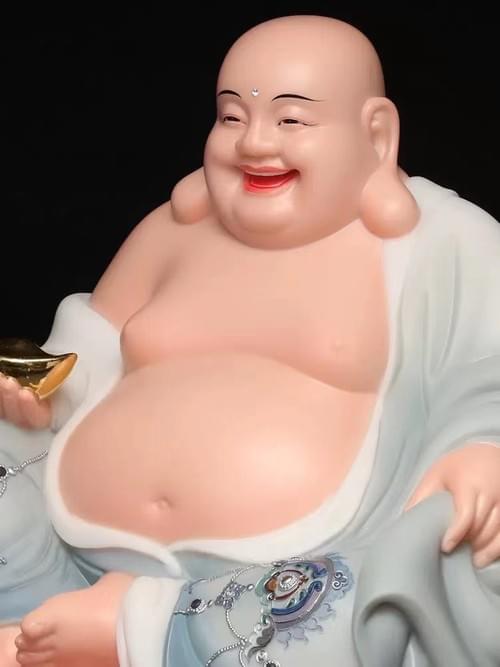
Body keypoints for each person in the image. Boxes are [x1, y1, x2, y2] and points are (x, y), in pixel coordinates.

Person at [1, 14, 500, 666]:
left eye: (290, 120)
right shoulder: (170, 231)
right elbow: (81, 353)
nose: (255, 143)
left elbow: (490, 367)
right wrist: (35, 396)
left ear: (376, 135)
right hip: (68, 547)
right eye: (232, 117)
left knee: (420, 571)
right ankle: (31, 617)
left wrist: (483, 446)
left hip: (294, 577)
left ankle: (140, 632)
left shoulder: (446, 242)